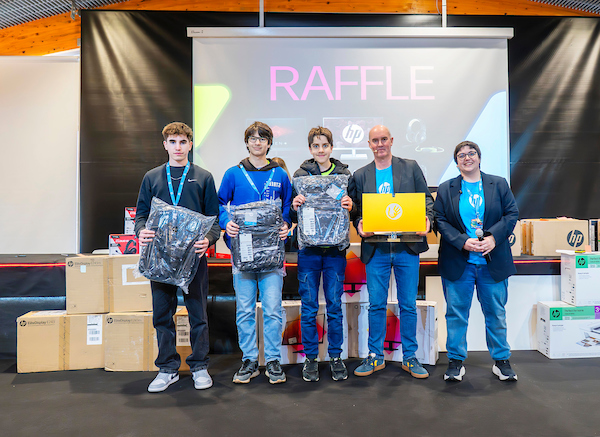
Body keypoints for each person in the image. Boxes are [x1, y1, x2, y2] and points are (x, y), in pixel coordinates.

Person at [135, 122, 221, 393]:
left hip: (193, 257)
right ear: (165, 145)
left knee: (198, 314)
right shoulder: (152, 177)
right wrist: (141, 231)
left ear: (190, 145)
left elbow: (214, 220)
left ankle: (199, 366)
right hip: (159, 258)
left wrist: (209, 240)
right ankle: (167, 368)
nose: (178, 147)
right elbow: (141, 215)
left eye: (183, 142)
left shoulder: (203, 177)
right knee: (162, 315)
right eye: (172, 142)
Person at [352, 125, 434, 379]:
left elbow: (426, 200)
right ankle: (375, 355)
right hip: (376, 248)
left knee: (408, 305)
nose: (380, 144)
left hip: (406, 247)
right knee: (376, 305)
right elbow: (356, 210)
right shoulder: (360, 174)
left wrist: (428, 220)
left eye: (384, 139)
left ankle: (410, 356)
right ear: (369, 144)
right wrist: (359, 224)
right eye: (375, 140)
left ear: (391, 140)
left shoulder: (410, 167)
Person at [433, 141, 519, 382]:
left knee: (496, 314)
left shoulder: (498, 184)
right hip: (458, 262)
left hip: (492, 262)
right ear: (456, 162)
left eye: (471, 153)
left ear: (479, 158)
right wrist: (462, 241)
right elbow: (439, 220)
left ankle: (501, 361)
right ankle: (455, 362)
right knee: (456, 314)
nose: (467, 158)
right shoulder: (446, 188)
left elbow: (511, 213)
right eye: (461, 155)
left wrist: (493, 238)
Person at [218, 121, 292, 384]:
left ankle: (272, 360)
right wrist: (226, 222)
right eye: (252, 138)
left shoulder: (280, 174)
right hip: (244, 251)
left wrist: (286, 224)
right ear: (246, 142)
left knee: (272, 309)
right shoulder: (233, 174)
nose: (257, 142)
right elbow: (219, 204)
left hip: (272, 252)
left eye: (262, 138)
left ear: (269, 143)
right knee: (245, 310)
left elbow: (288, 206)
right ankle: (249, 359)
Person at [290, 126, 356, 382]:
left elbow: (354, 208)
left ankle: (336, 357)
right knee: (309, 308)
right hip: (308, 252)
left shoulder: (344, 175)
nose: (320, 150)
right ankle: (311, 358)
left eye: (324, 145)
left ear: (331, 147)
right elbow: (292, 214)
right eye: (316, 146)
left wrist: (351, 205)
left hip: (335, 253)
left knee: (334, 306)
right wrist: (294, 206)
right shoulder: (300, 175)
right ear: (310, 149)